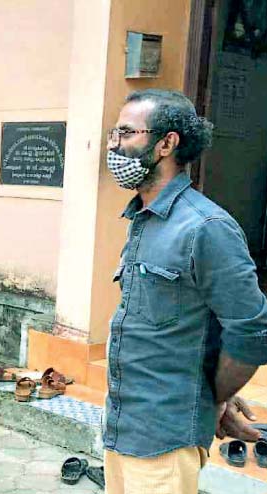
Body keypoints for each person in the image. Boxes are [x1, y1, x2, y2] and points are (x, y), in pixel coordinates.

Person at [103, 88, 267, 493]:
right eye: (113, 133)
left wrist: (214, 397)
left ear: (166, 144)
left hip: (164, 439)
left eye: (127, 133)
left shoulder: (205, 228)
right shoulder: (143, 219)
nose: (114, 145)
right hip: (123, 426)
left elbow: (252, 332)